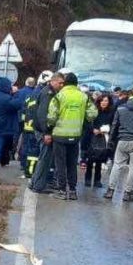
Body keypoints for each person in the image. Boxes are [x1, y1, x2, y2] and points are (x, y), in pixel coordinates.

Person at [47, 72, 97, 200]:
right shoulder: (84, 97)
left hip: (59, 135)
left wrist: (50, 126)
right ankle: (73, 191)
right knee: (72, 163)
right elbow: (92, 114)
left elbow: (52, 117)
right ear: (76, 83)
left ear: (65, 83)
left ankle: (62, 191)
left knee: (60, 164)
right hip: (75, 135)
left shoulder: (59, 96)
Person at [29, 72, 64, 193]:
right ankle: (38, 186)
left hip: (42, 130)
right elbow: (43, 115)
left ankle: (35, 182)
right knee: (44, 159)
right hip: (44, 131)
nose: (61, 85)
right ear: (53, 81)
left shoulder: (49, 92)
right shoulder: (48, 94)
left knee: (44, 158)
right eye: (60, 83)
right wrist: (47, 133)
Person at [84, 95, 115, 188]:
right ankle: (88, 179)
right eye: (102, 101)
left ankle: (97, 180)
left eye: (106, 101)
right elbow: (87, 122)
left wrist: (106, 129)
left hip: (104, 137)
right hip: (92, 137)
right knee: (90, 159)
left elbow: (113, 124)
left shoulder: (111, 112)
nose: (104, 103)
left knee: (100, 159)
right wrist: (93, 129)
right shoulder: (94, 111)